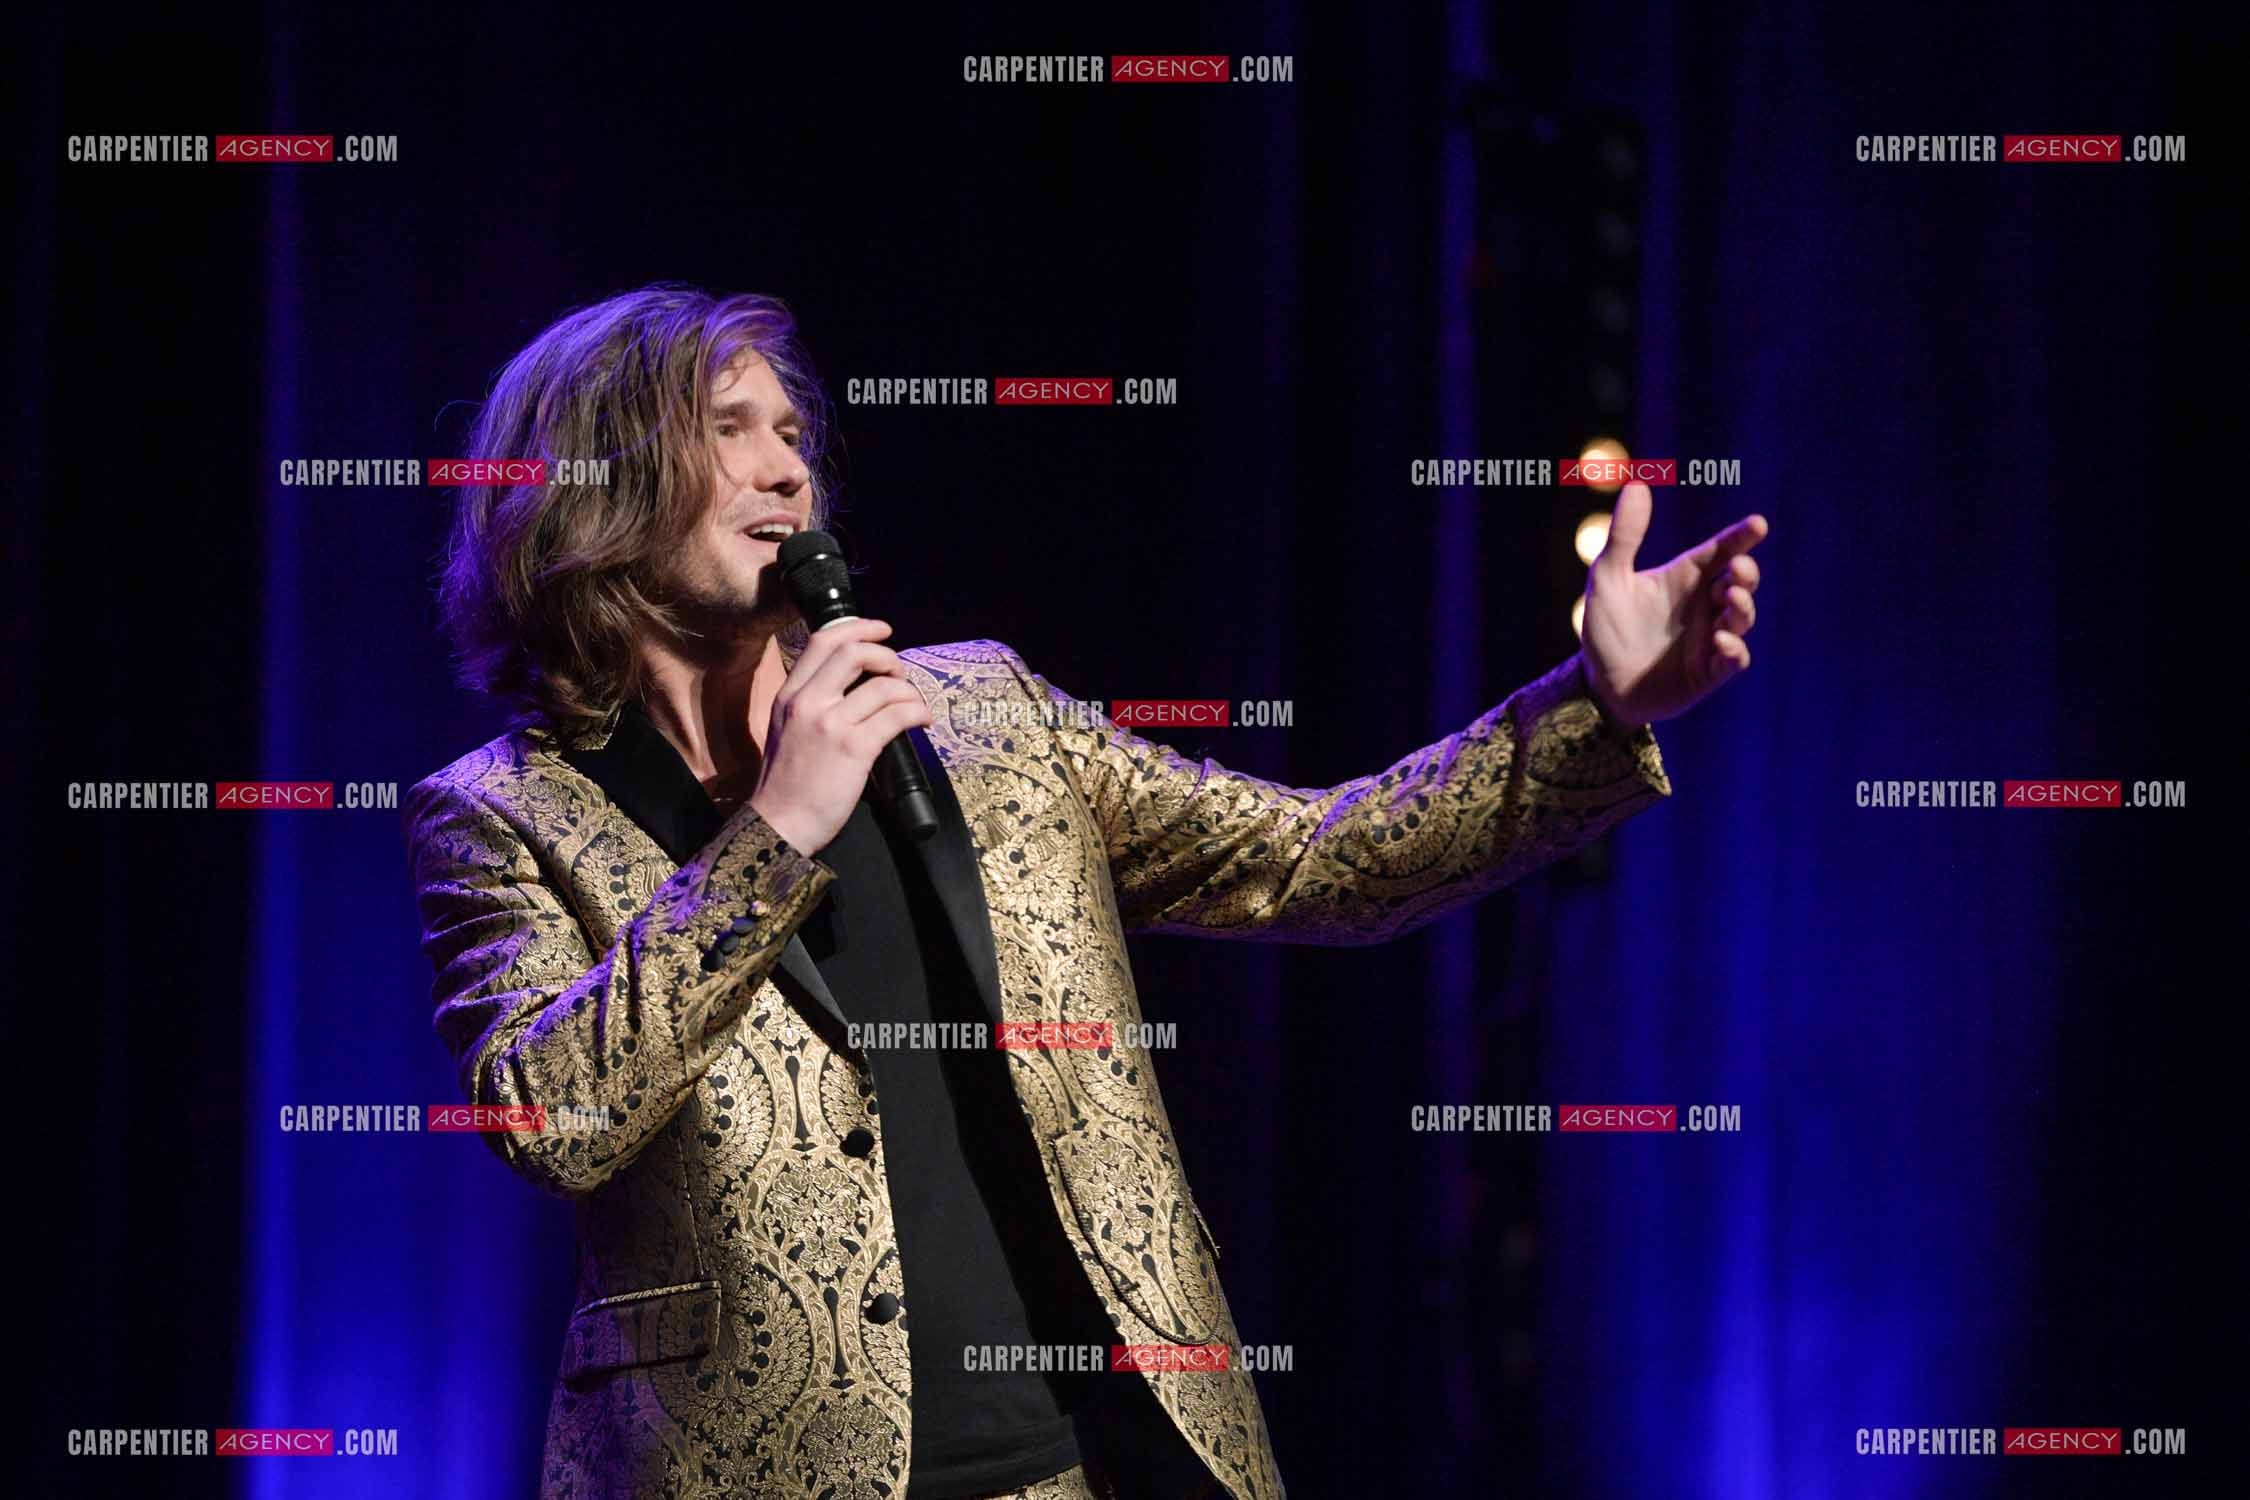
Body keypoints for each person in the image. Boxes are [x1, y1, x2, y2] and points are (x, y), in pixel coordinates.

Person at [405, 285, 1767, 1500]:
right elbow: (553, 1118)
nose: (785, 469)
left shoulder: (977, 712)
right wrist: (773, 834)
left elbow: (1317, 858)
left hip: (1084, 1463)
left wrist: (1591, 705)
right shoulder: (504, 810)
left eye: (792, 433)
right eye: (729, 428)